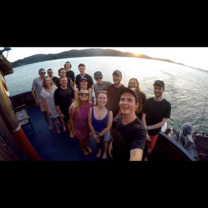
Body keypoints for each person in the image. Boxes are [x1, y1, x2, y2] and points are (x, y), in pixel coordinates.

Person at [108, 87, 146, 161]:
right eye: (122, 99)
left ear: (136, 105)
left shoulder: (139, 130)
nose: (124, 103)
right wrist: (111, 143)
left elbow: (136, 154)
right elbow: (116, 135)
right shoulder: (119, 120)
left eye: (129, 100)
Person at [142, 80, 171, 161]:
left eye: (159, 88)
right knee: (140, 145)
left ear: (163, 89)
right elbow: (143, 117)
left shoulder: (167, 105)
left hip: (154, 133)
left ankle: (145, 157)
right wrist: (145, 131)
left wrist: (148, 128)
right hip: (143, 130)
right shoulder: (148, 101)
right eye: (155, 88)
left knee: (149, 149)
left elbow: (163, 122)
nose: (157, 90)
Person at [88, 91, 113, 159]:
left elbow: (108, 127)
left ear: (107, 100)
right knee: (97, 142)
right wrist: (94, 134)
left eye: (104, 98)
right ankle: (99, 150)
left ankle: (104, 151)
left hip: (105, 132)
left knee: (104, 143)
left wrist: (99, 136)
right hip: (95, 131)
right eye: (100, 98)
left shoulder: (109, 112)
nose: (102, 100)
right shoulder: (91, 109)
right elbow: (90, 123)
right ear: (97, 99)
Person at [69, 89, 93, 155]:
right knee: (81, 142)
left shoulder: (91, 104)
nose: (84, 95)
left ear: (88, 96)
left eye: (86, 94)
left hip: (87, 127)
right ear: (79, 95)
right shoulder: (73, 106)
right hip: (78, 129)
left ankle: (87, 147)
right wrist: (73, 130)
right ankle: (82, 150)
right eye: (82, 94)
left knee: (87, 138)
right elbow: (71, 119)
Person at [106, 70, 125, 138]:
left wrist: (117, 116)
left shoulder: (124, 89)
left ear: (121, 78)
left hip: (119, 115)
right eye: (114, 76)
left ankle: (114, 139)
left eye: (118, 76)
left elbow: (123, 105)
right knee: (110, 127)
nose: (116, 78)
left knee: (118, 130)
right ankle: (111, 136)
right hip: (109, 113)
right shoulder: (109, 88)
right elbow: (107, 100)